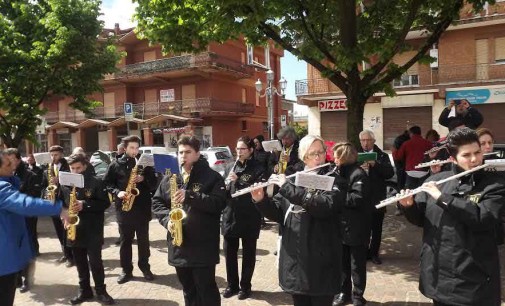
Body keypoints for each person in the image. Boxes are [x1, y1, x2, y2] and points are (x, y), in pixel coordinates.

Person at [398, 127, 505, 306]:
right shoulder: (438, 181)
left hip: (474, 279)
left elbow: (483, 218)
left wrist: (443, 198)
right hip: (439, 276)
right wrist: (408, 206)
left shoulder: (494, 185)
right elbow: (421, 219)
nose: (474, 159)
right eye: (467, 155)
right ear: (453, 158)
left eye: (477, 152)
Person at [251, 135, 347, 306]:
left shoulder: (334, 180)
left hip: (321, 259)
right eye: (312, 154)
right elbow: (279, 213)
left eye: (321, 152)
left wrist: (287, 187)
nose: (318, 157)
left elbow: (325, 205)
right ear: (304, 156)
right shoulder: (295, 178)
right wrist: (261, 200)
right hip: (296, 258)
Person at [152, 135, 226, 306]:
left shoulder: (212, 177)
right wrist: (167, 221)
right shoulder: (171, 176)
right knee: (188, 290)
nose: (183, 156)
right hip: (179, 245)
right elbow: (157, 201)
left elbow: (219, 203)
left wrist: (191, 195)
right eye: (180, 152)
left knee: (206, 290)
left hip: (202, 246)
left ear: (198, 154)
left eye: (188, 152)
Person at [0, 150, 69, 306]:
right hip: (3, 262)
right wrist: (59, 208)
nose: (13, 165)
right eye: (8, 164)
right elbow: (25, 204)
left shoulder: (10, 180)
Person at [61, 154, 115, 305]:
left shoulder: (96, 181)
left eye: (78, 168)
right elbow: (62, 203)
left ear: (85, 166)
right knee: (80, 263)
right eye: (72, 168)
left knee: (96, 263)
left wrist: (85, 204)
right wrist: (63, 214)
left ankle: (101, 291)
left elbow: (105, 203)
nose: (75, 171)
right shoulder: (65, 183)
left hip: (92, 229)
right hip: (74, 228)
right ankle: (84, 291)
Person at [103, 136, 156, 284]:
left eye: (137, 148)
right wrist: (117, 192)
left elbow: (153, 185)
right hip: (124, 208)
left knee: (143, 241)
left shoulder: (146, 164)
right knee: (125, 241)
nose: (135, 151)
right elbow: (106, 183)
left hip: (142, 208)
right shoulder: (115, 165)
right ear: (125, 148)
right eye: (132, 148)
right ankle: (126, 270)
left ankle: (145, 267)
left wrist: (143, 178)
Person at [221, 136, 266, 300]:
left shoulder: (258, 168)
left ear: (251, 151)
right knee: (230, 254)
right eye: (237, 149)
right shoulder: (228, 167)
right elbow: (224, 194)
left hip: (249, 216)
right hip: (230, 215)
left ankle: (245, 287)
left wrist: (239, 180)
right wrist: (223, 187)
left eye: (242, 149)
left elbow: (258, 190)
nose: (239, 152)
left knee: (248, 254)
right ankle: (231, 285)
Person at [332, 143, 371, 306]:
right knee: (342, 264)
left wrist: (336, 194)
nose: (333, 158)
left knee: (357, 264)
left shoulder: (358, 174)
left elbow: (357, 199)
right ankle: (343, 292)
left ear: (342, 157)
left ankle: (358, 296)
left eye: (335, 155)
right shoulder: (338, 172)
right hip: (341, 225)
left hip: (357, 226)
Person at [4, 149, 41, 293]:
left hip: (26, 217)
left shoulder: (29, 175)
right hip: (11, 218)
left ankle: (28, 278)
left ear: (19, 159)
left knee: (28, 246)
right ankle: (17, 278)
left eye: (12, 159)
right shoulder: (5, 175)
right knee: (13, 246)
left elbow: (34, 196)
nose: (9, 162)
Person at [357, 130, 395, 265]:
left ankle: (374, 253)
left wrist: (375, 164)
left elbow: (389, 173)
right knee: (362, 227)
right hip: (360, 197)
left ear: (373, 141)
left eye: (368, 140)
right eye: (363, 140)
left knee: (376, 228)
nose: (365, 143)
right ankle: (363, 252)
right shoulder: (355, 155)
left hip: (377, 197)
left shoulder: (382, 156)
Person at [41, 145, 74, 267]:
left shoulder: (69, 166)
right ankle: (65, 253)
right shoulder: (48, 169)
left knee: (67, 230)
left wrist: (59, 180)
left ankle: (72, 257)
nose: (53, 157)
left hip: (65, 204)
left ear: (61, 154)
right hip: (53, 204)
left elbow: (73, 184)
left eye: (56, 155)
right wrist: (45, 195)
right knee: (59, 232)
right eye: (52, 155)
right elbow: (43, 186)